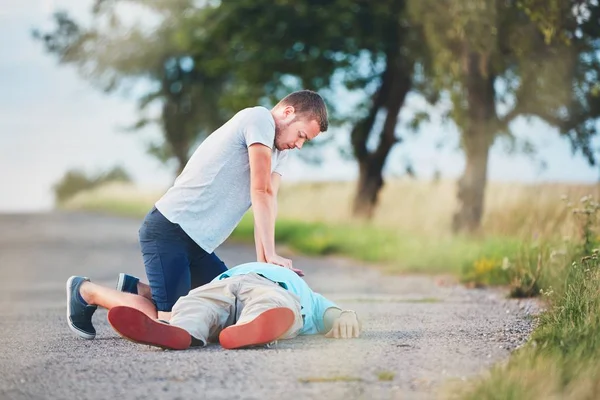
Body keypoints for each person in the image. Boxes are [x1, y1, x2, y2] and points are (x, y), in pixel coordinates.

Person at [66, 90, 329, 340]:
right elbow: (259, 189)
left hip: (199, 246)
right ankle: (86, 291)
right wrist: (271, 254)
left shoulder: (280, 150)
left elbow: (268, 198)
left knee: (225, 306)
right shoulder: (259, 118)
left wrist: (264, 262)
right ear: (287, 112)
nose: (299, 145)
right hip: (169, 230)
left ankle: (137, 290)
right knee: (173, 324)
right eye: (301, 135)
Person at [107, 262, 361, 350]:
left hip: (273, 290)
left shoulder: (309, 295)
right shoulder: (262, 266)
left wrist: (346, 316)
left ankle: (250, 327)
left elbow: (333, 314)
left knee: (269, 304)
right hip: (228, 282)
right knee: (195, 303)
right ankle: (181, 331)